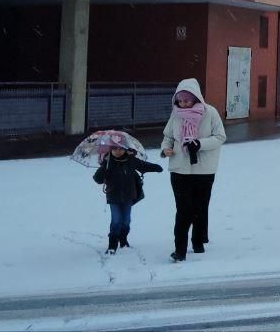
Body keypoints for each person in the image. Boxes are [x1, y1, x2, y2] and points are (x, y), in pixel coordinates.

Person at [161, 78, 226, 262]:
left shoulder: (210, 112)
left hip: (204, 170)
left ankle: (198, 242)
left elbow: (220, 137)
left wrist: (199, 144)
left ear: (196, 98)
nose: (183, 104)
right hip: (179, 169)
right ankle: (179, 250)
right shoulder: (176, 114)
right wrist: (165, 149)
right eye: (180, 100)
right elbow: (168, 136)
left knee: (200, 207)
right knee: (183, 210)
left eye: (187, 100)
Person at [92, 143, 162, 254]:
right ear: (110, 150)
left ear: (125, 149)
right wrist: (105, 164)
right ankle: (112, 245)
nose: (118, 151)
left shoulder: (130, 160)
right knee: (116, 220)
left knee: (126, 221)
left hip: (129, 196)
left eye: (121, 149)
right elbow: (97, 179)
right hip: (113, 197)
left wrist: (155, 167)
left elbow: (143, 166)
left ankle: (123, 240)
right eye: (115, 149)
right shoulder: (108, 162)